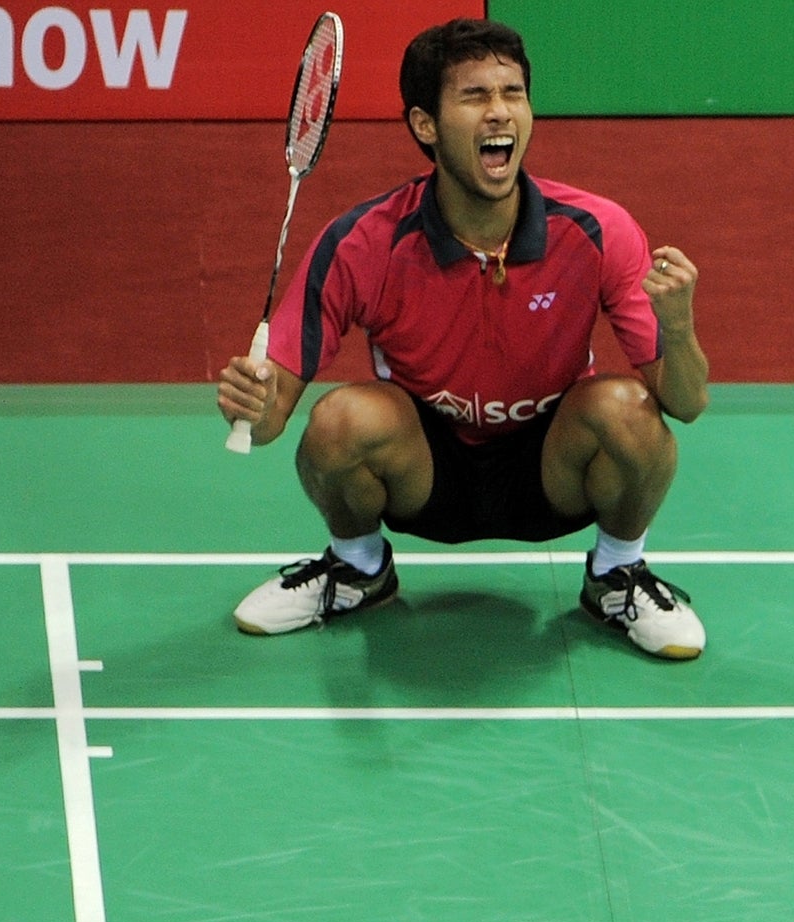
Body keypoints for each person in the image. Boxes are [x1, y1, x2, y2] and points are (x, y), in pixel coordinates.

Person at [215, 17, 708, 659]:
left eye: (513, 93)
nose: (500, 113)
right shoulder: (363, 242)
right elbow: (273, 417)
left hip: (548, 468)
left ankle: (618, 574)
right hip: (426, 468)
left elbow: (688, 403)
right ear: (425, 124)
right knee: (339, 420)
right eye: (475, 96)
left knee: (629, 412)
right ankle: (357, 569)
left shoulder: (597, 230)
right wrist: (251, 403)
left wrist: (678, 325)